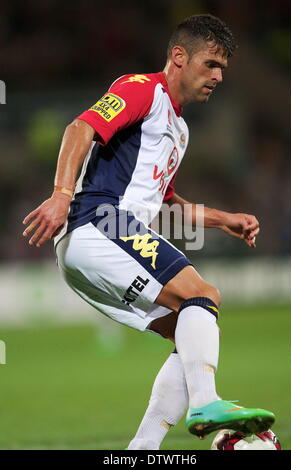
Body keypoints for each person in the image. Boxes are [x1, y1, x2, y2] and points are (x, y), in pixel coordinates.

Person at [23, 14, 275, 450]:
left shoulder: (179, 130)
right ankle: (207, 403)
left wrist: (224, 219)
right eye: (211, 64)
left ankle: (142, 449)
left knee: (191, 330)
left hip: (96, 245)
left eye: (222, 70)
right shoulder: (143, 89)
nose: (217, 77)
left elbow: (167, 201)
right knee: (204, 294)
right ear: (179, 57)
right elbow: (80, 127)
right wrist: (62, 193)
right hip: (98, 220)